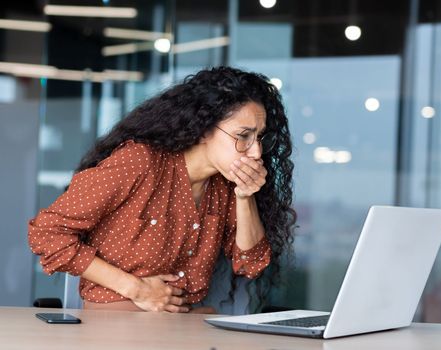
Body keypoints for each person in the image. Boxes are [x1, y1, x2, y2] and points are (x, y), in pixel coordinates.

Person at [28, 66, 296, 313]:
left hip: (185, 325)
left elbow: (251, 263)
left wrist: (245, 196)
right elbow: (46, 234)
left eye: (260, 137)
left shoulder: (226, 186)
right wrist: (137, 289)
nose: (256, 151)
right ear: (204, 129)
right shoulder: (139, 162)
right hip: (116, 323)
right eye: (243, 136)